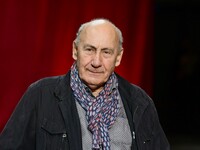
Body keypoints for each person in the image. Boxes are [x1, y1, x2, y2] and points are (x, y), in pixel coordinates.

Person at [0, 18, 170, 150]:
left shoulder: (139, 102)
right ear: (75, 50)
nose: (96, 61)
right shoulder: (41, 95)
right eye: (89, 49)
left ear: (118, 57)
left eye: (106, 52)